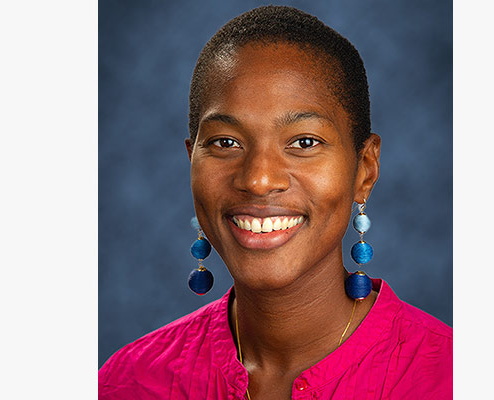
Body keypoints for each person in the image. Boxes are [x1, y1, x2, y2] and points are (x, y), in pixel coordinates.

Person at [99, 5, 452, 399]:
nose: (258, 180)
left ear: (364, 170)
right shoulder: (127, 382)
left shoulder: (450, 378)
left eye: (304, 143)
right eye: (225, 143)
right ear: (192, 161)